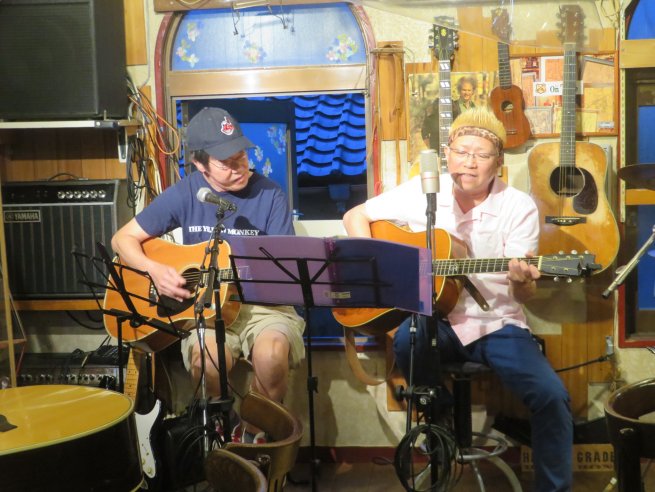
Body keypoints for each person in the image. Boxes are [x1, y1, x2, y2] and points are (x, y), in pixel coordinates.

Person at [343, 106, 572, 491]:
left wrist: (522, 282)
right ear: (447, 154)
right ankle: (442, 423)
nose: (470, 162)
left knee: (551, 396)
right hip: (437, 320)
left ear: (498, 162)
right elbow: (355, 215)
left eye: (482, 155)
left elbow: (524, 292)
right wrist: (375, 263)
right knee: (406, 342)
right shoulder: (422, 191)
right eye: (462, 152)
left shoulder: (518, 206)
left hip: (498, 323)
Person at [111, 107, 305, 443]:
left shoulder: (270, 194)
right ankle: (220, 430)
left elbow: (282, 269)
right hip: (206, 307)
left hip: (263, 307)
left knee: (272, 356)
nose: (239, 167)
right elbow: (122, 239)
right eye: (226, 163)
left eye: (241, 156)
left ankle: (255, 438)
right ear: (200, 165)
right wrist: (154, 270)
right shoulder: (186, 193)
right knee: (207, 361)